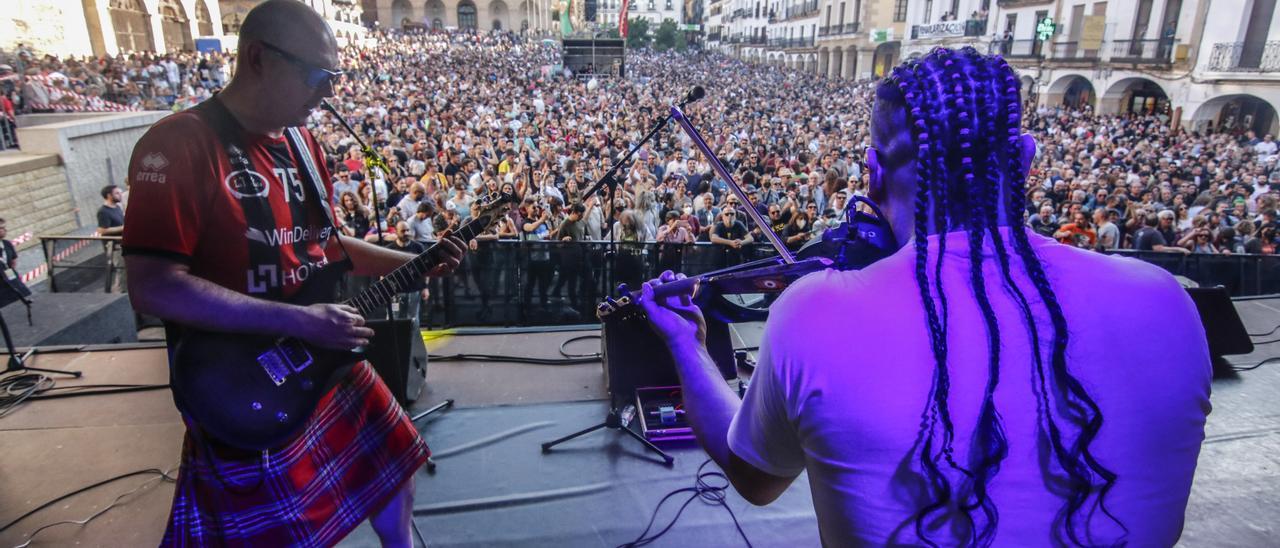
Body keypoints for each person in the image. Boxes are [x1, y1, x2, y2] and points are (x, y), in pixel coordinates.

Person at [637, 48, 1211, 546]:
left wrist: (687, 344)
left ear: (873, 174)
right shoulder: (1167, 304)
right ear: (1027, 161)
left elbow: (753, 477)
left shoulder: (816, 312)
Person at [121, 2, 466, 546]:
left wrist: (417, 263)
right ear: (258, 58)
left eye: (334, 77)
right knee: (276, 533)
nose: (327, 93)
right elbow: (152, 284)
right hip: (237, 377)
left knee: (396, 463)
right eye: (316, 76)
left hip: (322, 354)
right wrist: (300, 322)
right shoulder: (178, 145)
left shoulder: (303, 144)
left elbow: (325, 245)